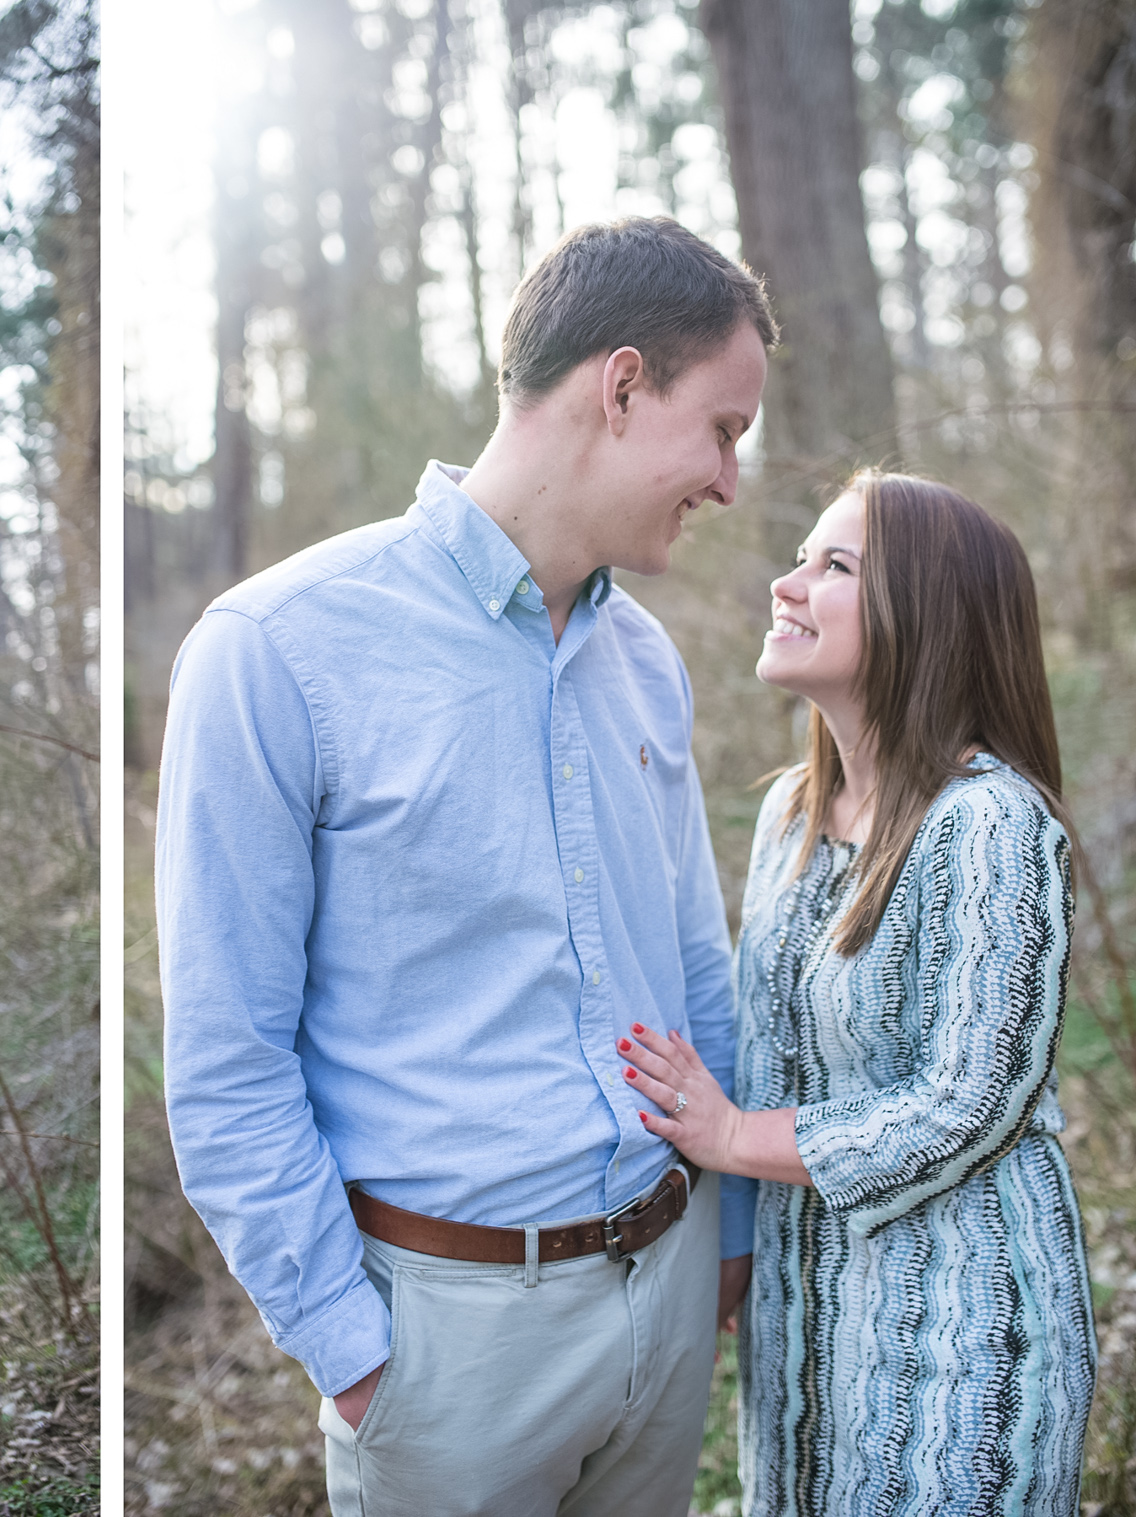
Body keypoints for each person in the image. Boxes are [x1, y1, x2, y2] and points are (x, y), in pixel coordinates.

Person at [156, 215, 777, 1517]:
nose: (730, 479)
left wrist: (727, 1240)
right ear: (619, 387)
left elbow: (693, 965)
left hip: (667, 1310)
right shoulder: (275, 651)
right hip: (448, 1356)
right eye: (722, 428)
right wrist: (355, 1349)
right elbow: (229, 1058)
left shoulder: (647, 662)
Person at [618, 472, 1095, 1515]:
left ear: (921, 612)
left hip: (961, 1338)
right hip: (801, 1335)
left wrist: (733, 1135)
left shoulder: (988, 825)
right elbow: (768, 1042)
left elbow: (969, 1102)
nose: (786, 584)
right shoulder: (791, 812)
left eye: (832, 564)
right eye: (801, 555)